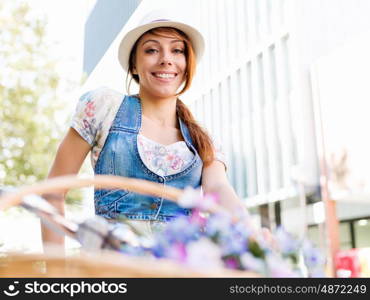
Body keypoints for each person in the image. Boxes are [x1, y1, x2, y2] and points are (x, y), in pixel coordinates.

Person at [42, 11, 245, 248]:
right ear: (134, 66)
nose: (166, 59)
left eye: (177, 50)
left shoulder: (203, 139)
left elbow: (219, 189)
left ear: (187, 65)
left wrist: (251, 232)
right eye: (151, 50)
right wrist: (54, 274)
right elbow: (52, 193)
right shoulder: (104, 107)